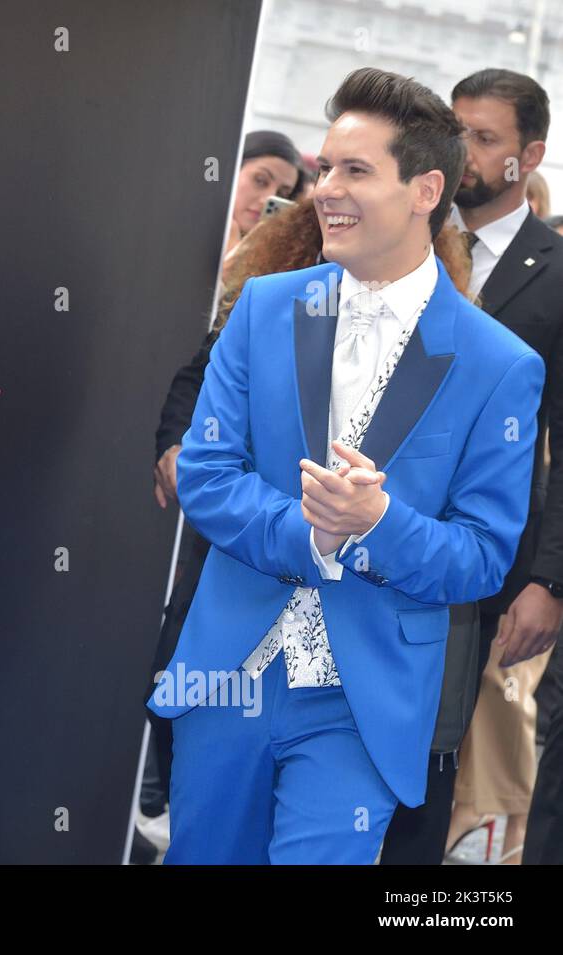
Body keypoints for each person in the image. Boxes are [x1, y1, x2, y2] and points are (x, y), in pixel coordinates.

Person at [148, 67, 545, 864]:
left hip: (363, 703)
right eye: (326, 167)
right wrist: (310, 531)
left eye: (354, 170)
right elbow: (207, 472)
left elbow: (482, 554)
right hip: (229, 677)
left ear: (427, 188)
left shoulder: (499, 363)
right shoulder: (266, 307)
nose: (325, 188)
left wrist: (378, 524)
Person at [439, 68, 563, 866]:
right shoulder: (401, 240)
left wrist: (548, 581)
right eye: (456, 134)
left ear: (530, 155)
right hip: (359, 544)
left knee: (438, 767)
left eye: (485, 138)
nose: (464, 154)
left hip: (489, 569)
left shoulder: (557, 271)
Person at [221, 131, 304, 279]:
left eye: (282, 194)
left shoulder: (278, 261)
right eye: (260, 180)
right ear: (233, 169)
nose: (267, 199)